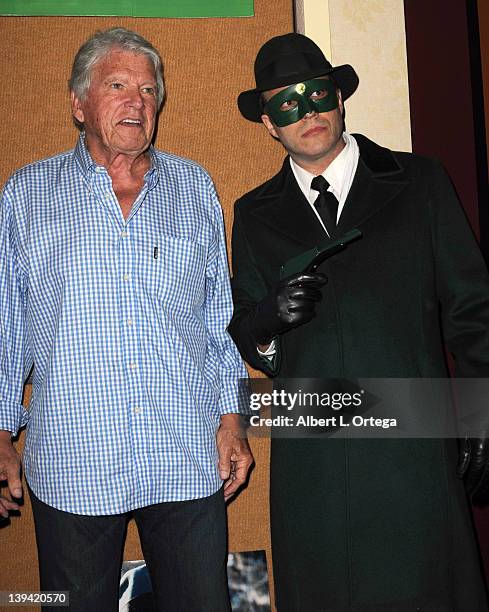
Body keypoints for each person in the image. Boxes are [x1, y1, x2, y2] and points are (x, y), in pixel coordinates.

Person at [229, 32, 489, 611]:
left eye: (318, 94)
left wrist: (482, 410)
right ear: (270, 123)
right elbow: (244, 330)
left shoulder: (420, 184)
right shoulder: (253, 214)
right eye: (286, 103)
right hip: (315, 463)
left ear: (340, 99)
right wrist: (268, 323)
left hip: (412, 455)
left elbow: (474, 310)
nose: (309, 112)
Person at [0, 27, 253, 612]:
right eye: (117, 85)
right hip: (72, 460)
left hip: (185, 455)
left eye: (147, 90)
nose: (136, 102)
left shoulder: (193, 187)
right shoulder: (27, 194)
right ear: (78, 102)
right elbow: (6, 324)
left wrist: (232, 419)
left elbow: (216, 321)